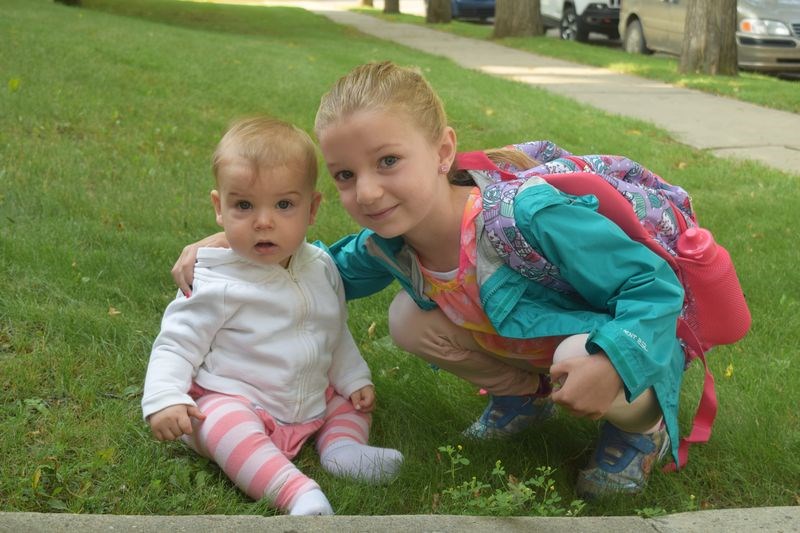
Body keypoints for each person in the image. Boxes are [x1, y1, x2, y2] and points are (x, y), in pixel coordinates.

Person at [171, 62, 686, 499]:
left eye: (388, 161)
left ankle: (639, 429)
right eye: (345, 175)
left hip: (619, 345)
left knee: (581, 349)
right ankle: (523, 397)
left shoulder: (528, 218)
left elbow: (657, 287)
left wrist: (613, 361)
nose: (368, 192)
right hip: (536, 353)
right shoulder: (386, 242)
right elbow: (311, 272)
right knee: (407, 319)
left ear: (443, 152)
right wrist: (231, 245)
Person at [143, 116, 403, 516]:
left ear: (312, 208)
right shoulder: (215, 279)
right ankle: (294, 492)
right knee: (219, 423)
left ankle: (343, 450)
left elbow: (333, 332)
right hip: (239, 398)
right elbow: (177, 343)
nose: (263, 221)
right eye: (244, 205)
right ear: (219, 207)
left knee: (350, 402)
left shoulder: (320, 267)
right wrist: (164, 398)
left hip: (309, 397)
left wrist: (353, 377)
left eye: (284, 205)